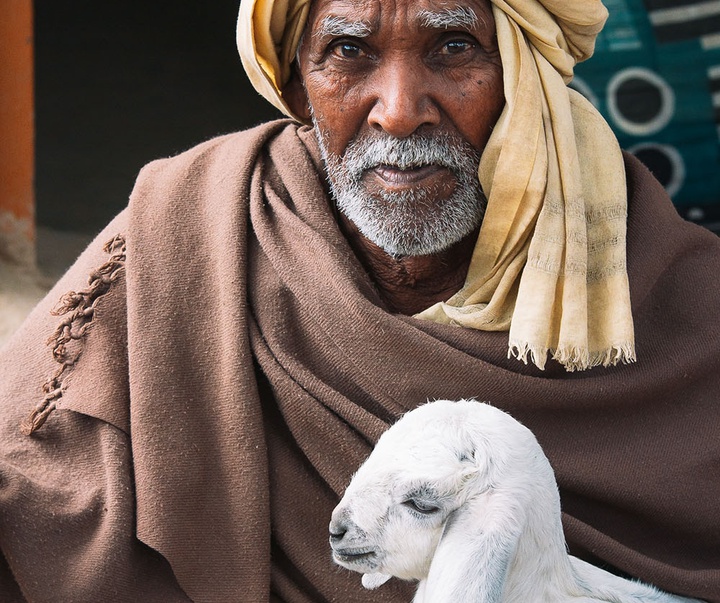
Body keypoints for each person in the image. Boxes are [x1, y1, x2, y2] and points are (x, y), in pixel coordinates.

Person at [1, 0, 719, 601]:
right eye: (348, 50)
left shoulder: (676, 292)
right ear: (295, 88)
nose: (400, 111)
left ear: (523, 76)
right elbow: (30, 473)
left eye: (454, 46)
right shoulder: (191, 227)